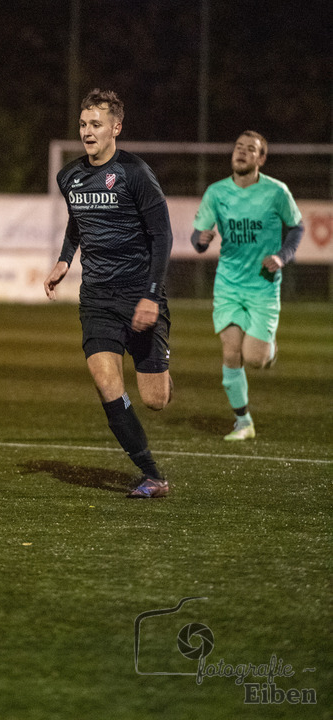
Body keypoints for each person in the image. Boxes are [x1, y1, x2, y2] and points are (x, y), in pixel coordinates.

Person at [44, 89, 174, 499]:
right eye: (83, 124)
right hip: (97, 297)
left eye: (95, 124)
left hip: (140, 295)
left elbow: (163, 235)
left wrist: (152, 295)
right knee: (105, 382)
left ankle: (162, 369)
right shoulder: (69, 177)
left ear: (116, 128)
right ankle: (152, 474)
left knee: (155, 399)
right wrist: (65, 260)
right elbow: (77, 222)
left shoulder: (135, 173)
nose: (87, 131)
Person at [191, 130, 303, 441]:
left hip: (263, 285)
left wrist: (282, 256)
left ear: (261, 159)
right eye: (238, 147)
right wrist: (201, 241)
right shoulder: (216, 192)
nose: (241, 152)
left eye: (250, 149)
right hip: (228, 284)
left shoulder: (276, 192)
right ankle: (243, 422)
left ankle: (269, 350)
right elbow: (198, 237)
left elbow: (296, 227)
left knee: (254, 359)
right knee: (230, 352)